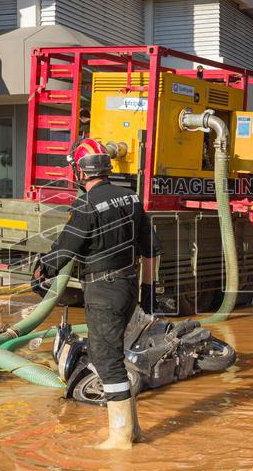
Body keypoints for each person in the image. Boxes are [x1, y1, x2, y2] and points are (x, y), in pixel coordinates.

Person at [36, 138, 161, 450]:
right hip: (128, 284)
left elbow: (67, 245)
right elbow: (152, 249)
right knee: (114, 354)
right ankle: (133, 431)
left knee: (106, 359)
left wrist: (43, 270)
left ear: (80, 172)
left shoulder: (86, 205)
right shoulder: (131, 198)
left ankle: (120, 439)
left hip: (104, 289)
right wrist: (148, 293)